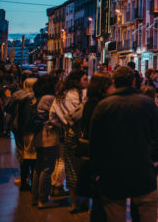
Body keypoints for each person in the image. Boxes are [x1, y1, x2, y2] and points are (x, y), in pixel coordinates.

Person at [90, 66, 158, 221]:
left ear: (114, 82)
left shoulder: (103, 106)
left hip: (112, 174)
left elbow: (95, 143)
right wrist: (154, 165)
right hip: (143, 172)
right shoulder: (147, 103)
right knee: (147, 213)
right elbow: (156, 139)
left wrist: (96, 172)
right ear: (134, 80)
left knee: (115, 215)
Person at [50, 70, 88, 213]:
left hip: (69, 135)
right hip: (85, 135)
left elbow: (52, 116)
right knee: (86, 168)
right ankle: (85, 200)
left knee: (71, 169)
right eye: (85, 79)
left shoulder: (60, 96)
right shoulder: (85, 95)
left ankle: (73, 203)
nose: (87, 82)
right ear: (78, 81)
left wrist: (64, 125)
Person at [79, 72, 113, 220]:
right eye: (111, 84)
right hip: (104, 159)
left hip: (94, 159)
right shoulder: (103, 106)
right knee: (104, 204)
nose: (114, 87)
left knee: (100, 204)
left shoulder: (89, 104)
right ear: (103, 87)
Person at [30, 75, 61, 208]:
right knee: (47, 168)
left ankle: (35, 197)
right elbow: (57, 115)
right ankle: (43, 199)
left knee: (39, 168)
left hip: (39, 135)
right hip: (48, 135)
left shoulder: (40, 97)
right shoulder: (49, 98)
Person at [10, 75, 38, 193]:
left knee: (23, 155)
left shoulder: (17, 95)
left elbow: (8, 108)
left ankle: (24, 181)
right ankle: (31, 181)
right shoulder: (32, 98)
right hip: (29, 130)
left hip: (18, 128)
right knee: (31, 156)